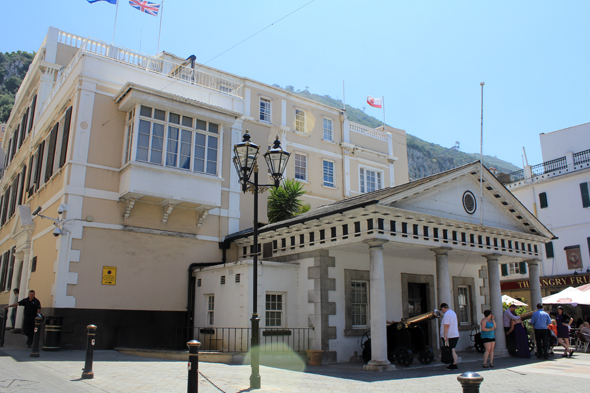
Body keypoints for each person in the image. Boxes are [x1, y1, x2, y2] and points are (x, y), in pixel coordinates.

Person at [440, 302, 460, 370]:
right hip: (455, 334)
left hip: (449, 336)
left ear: (443, 308)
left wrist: (445, 336)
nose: (442, 311)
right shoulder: (452, 313)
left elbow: (446, 325)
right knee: (453, 349)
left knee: (451, 350)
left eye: (441, 309)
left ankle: (454, 364)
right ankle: (453, 363)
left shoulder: (446, 314)